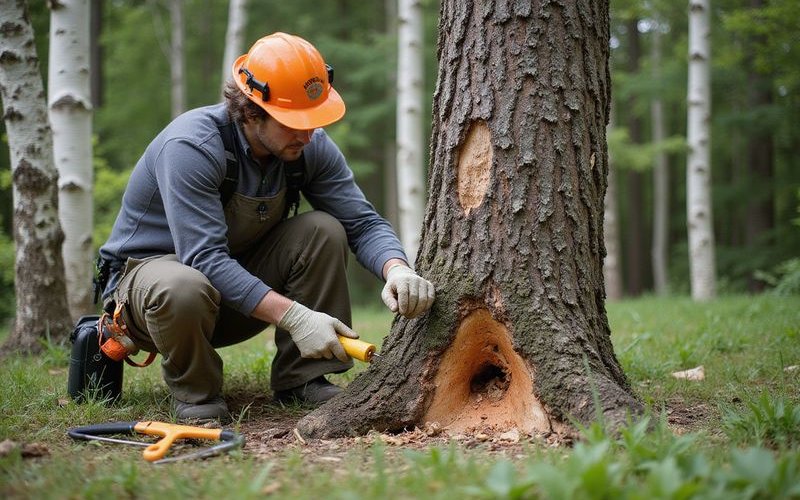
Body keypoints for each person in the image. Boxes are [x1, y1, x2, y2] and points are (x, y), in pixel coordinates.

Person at [97, 32, 435, 422]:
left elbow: (360, 222)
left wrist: (397, 268)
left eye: (313, 120)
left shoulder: (308, 147)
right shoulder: (192, 147)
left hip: (230, 296)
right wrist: (295, 316)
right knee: (184, 284)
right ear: (252, 110)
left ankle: (304, 379)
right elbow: (204, 258)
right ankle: (197, 396)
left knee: (323, 230)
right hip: (155, 302)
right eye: (294, 123)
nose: (307, 134)